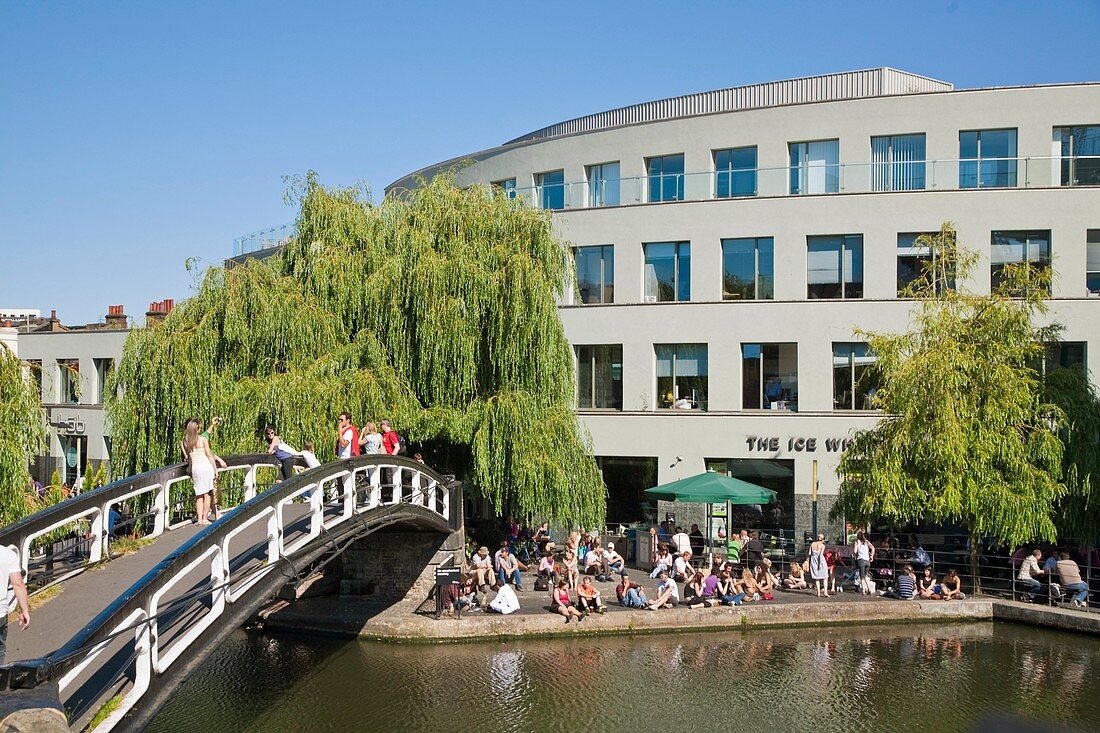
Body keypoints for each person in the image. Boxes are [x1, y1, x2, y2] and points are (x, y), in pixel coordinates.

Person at [182, 417, 226, 525]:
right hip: (206, 467)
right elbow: (209, 455)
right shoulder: (203, 440)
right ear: (197, 428)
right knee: (207, 494)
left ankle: (199, 519)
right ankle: (205, 518)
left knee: (199, 495)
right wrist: (215, 469)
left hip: (196, 469)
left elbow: (187, 456)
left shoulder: (185, 442)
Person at [0, 545, 30, 664]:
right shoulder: (8, 554)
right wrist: (24, 611)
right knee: (0, 650)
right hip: (1, 612)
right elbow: (18, 584)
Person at [853, 531, 876, 595]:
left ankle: (863, 590)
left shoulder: (857, 542)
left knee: (862, 576)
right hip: (867, 561)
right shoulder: (866, 541)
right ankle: (869, 588)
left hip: (861, 560)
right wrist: (871, 556)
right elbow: (873, 548)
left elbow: (855, 551)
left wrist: (855, 552)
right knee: (865, 575)